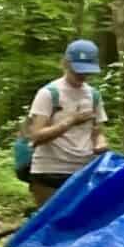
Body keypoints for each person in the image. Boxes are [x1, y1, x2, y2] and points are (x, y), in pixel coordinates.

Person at [24, 40, 110, 206]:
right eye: (77, 70)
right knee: (49, 225)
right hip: (50, 171)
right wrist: (71, 121)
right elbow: (36, 136)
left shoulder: (94, 95)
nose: (82, 75)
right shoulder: (48, 93)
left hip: (84, 171)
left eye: (86, 71)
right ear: (66, 63)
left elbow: (98, 131)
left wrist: (101, 143)